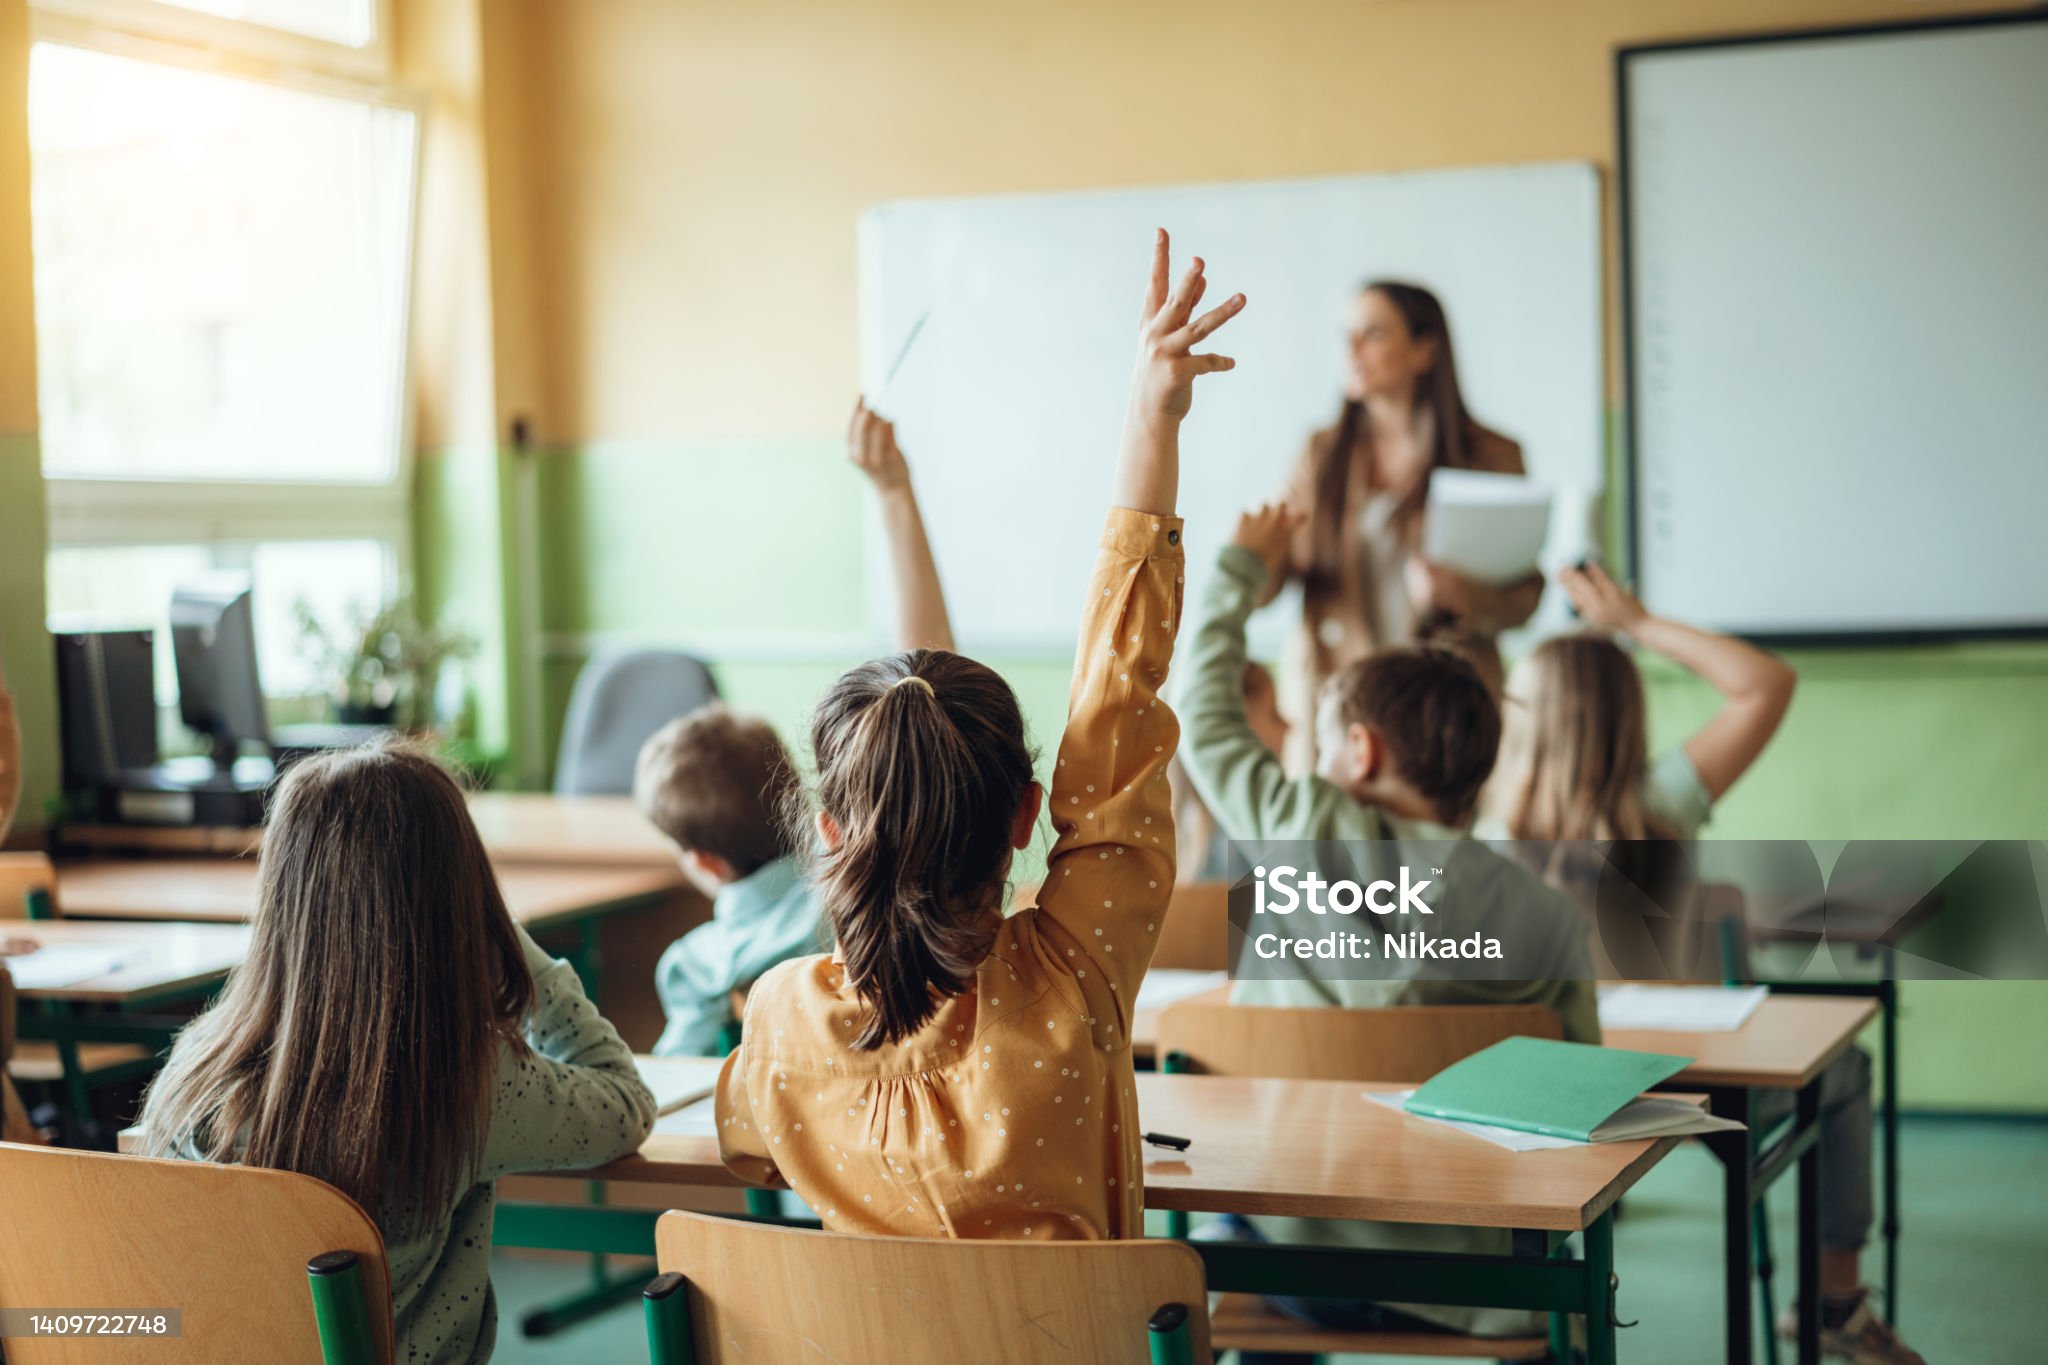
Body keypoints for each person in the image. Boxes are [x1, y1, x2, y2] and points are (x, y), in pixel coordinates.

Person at [714, 230, 1242, 1239]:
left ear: (830, 830)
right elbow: (1112, 702)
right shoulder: (1073, 979)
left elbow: (743, 1143)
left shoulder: (781, 1015)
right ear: (1026, 817)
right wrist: (1149, 417)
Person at [1177, 500, 1596, 1348]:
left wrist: (1239, 568)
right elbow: (1579, 1116)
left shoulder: (1296, 823)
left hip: (1286, 1261)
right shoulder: (1550, 918)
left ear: (1360, 754)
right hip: (1482, 1279)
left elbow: (1204, 708)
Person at [140, 742, 656, 1364]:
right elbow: (626, 1102)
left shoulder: (196, 1067)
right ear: (461, 906)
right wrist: (506, 941)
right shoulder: (466, 1085)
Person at [637, 399, 958, 1056]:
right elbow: (933, 697)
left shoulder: (701, 965)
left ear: (702, 860)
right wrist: (895, 493)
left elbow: (674, 1088)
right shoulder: (868, 892)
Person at [1265, 282, 1540, 773]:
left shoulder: (1491, 456)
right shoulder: (1320, 455)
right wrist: (1255, 554)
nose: (1351, 350)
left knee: (1435, 849)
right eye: (1345, 335)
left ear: (1424, 350)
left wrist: (1463, 596)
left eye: (1372, 334)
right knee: (1334, 848)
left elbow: (1524, 596)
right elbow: (1274, 579)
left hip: (1443, 702)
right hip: (1335, 698)